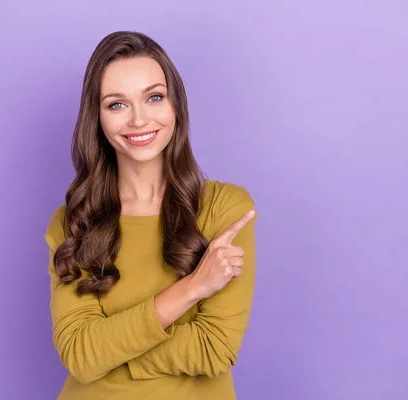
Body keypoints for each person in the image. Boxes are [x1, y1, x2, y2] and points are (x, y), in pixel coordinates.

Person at [44, 31, 258, 400]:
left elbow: (214, 348)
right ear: (96, 118)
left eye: (154, 97)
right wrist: (192, 288)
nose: (139, 119)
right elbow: (79, 355)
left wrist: (109, 352)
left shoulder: (225, 209)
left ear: (175, 106)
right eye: (117, 104)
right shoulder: (73, 221)